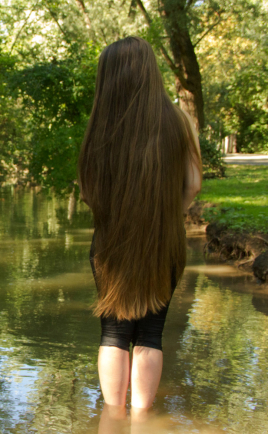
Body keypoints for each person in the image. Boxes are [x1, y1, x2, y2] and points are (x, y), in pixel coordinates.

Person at [76, 36, 202, 425]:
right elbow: (194, 184)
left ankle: (111, 423)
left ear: (107, 78)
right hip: (164, 242)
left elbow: (88, 193)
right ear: (151, 71)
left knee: (113, 334)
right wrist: (171, 218)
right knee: (151, 333)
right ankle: (142, 423)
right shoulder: (180, 121)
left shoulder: (100, 126)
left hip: (111, 243)